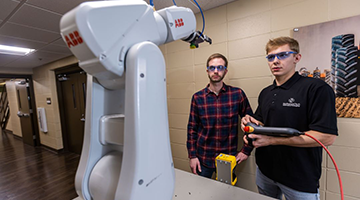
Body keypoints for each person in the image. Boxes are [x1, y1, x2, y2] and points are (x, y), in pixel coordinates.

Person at [241, 37, 338, 200]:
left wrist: (272, 140)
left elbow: (327, 137)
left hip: (299, 179)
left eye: (283, 55)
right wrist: (250, 123)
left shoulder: (317, 89)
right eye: (271, 57)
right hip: (265, 172)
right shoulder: (266, 92)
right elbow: (261, 122)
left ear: (296, 58)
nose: (276, 61)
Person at [187, 53, 253, 178]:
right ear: (207, 71)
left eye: (220, 68)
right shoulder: (198, 97)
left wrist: (246, 150)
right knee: (202, 193)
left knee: (226, 194)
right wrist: (192, 156)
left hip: (228, 158)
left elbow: (251, 124)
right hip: (203, 158)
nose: (216, 71)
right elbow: (192, 129)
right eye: (212, 68)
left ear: (225, 71)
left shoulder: (237, 94)